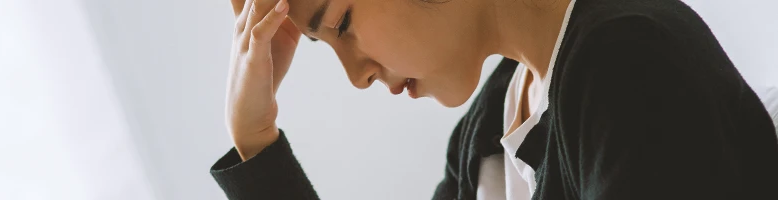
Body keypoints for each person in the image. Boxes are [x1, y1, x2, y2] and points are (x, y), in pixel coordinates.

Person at [212, 0, 778, 199]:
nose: (356, 74)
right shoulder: (488, 127)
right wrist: (256, 141)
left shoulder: (630, 64)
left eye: (341, 24)